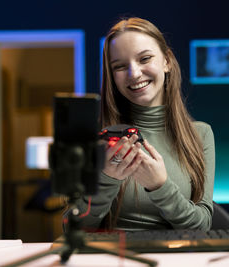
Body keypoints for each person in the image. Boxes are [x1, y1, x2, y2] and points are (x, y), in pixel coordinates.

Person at [78, 17, 215, 231]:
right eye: (120, 66)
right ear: (112, 76)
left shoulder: (201, 134)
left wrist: (159, 186)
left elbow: (202, 226)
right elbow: (74, 227)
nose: (134, 73)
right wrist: (106, 179)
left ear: (166, 61)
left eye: (144, 59)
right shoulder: (94, 136)